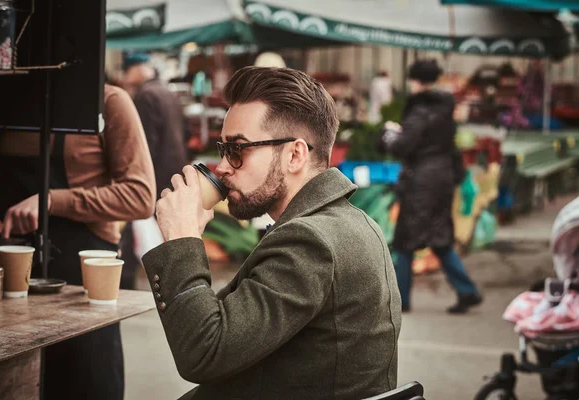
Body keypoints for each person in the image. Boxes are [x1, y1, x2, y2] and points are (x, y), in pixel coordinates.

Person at [142, 66, 401, 399]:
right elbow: (225, 327)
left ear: (295, 155)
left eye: (238, 150)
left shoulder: (310, 241)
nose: (222, 167)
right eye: (223, 150)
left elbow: (202, 353)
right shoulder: (350, 221)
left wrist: (181, 238)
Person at [0, 84, 156, 400]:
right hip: (9, 280)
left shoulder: (108, 102)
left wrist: (51, 200)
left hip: (82, 280)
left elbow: (140, 196)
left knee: (83, 382)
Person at [378, 59, 482, 314]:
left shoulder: (419, 111)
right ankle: (467, 290)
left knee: (405, 241)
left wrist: (390, 134)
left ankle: (401, 299)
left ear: (415, 81)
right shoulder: (444, 108)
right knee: (440, 237)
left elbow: (404, 146)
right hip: (442, 178)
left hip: (422, 182)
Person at [119, 52, 190, 289]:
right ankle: (171, 279)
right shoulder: (167, 92)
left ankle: (127, 277)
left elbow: (144, 145)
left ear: (138, 69)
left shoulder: (146, 95)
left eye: (127, 71)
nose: (125, 78)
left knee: (136, 226)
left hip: (154, 174)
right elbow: (186, 133)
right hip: (173, 172)